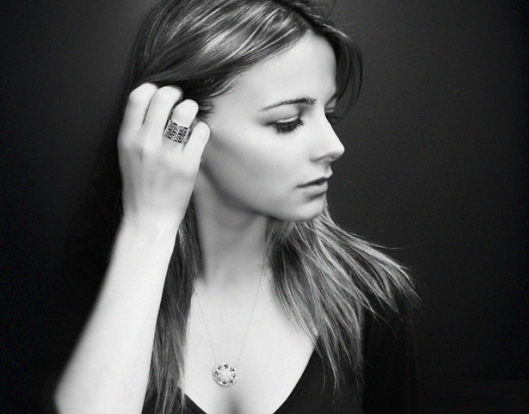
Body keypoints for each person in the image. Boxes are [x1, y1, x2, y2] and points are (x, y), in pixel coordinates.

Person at [45, 0, 419, 413]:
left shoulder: (370, 296)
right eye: (287, 122)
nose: (334, 146)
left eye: (329, 114)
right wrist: (149, 228)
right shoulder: (80, 296)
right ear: (178, 127)